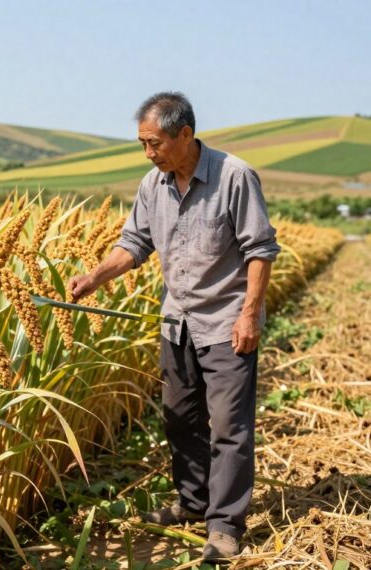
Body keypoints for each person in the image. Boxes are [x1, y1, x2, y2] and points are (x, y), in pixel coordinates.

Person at [68, 92, 280, 563]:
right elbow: (134, 243)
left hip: (227, 325)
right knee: (180, 419)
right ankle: (192, 503)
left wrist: (249, 315)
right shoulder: (153, 184)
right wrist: (94, 278)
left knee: (229, 428)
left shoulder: (234, 177)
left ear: (185, 134)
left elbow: (260, 249)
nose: (149, 153)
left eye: (154, 143)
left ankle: (224, 527)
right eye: (142, 144)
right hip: (177, 323)